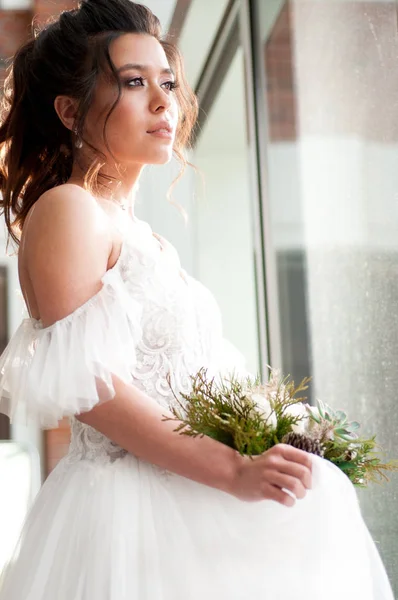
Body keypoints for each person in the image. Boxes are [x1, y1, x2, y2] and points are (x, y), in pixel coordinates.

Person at [0, 1, 394, 599]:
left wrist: (268, 433)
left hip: (192, 500)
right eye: (133, 82)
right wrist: (233, 469)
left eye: (168, 82)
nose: (164, 102)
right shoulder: (68, 208)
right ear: (69, 110)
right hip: (129, 514)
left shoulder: (144, 237)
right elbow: (96, 392)